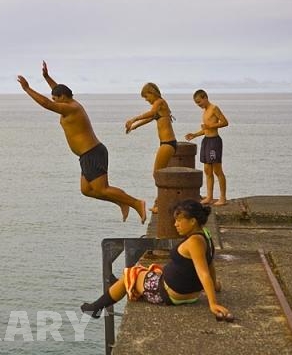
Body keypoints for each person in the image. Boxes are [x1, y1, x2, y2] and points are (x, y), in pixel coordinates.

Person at [17, 61, 146, 223]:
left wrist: (27, 89)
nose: (55, 101)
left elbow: (46, 104)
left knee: (102, 189)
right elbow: (58, 90)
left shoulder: (71, 108)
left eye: (56, 98)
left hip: (92, 153)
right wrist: (47, 77)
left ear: (63, 98)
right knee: (86, 190)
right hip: (87, 155)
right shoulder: (68, 102)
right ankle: (121, 201)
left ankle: (136, 203)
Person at [81, 199, 233, 321]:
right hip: (187, 291)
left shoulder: (194, 242)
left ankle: (96, 307)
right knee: (147, 270)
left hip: (170, 294)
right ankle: (113, 293)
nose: (175, 224)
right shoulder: (205, 234)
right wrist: (215, 285)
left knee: (130, 274)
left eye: (179, 220)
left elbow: (203, 272)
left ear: (193, 221)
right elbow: (209, 262)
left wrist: (213, 303)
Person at [125, 82, 177, 213]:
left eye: (146, 97)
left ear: (152, 93)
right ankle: (162, 201)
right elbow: (152, 117)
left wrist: (133, 119)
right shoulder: (159, 105)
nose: (147, 100)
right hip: (167, 144)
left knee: (157, 174)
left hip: (167, 144)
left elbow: (152, 112)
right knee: (161, 174)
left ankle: (161, 203)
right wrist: (135, 126)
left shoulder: (159, 101)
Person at [185, 89, 229, 206]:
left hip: (215, 141)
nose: (198, 105)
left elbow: (225, 122)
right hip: (206, 141)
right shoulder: (204, 111)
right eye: (196, 103)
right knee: (207, 170)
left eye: (199, 102)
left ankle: (223, 198)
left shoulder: (214, 108)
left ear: (205, 98)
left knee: (217, 170)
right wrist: (194, 134)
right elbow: (206, 129)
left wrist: (211, 125)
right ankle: (209, 197)